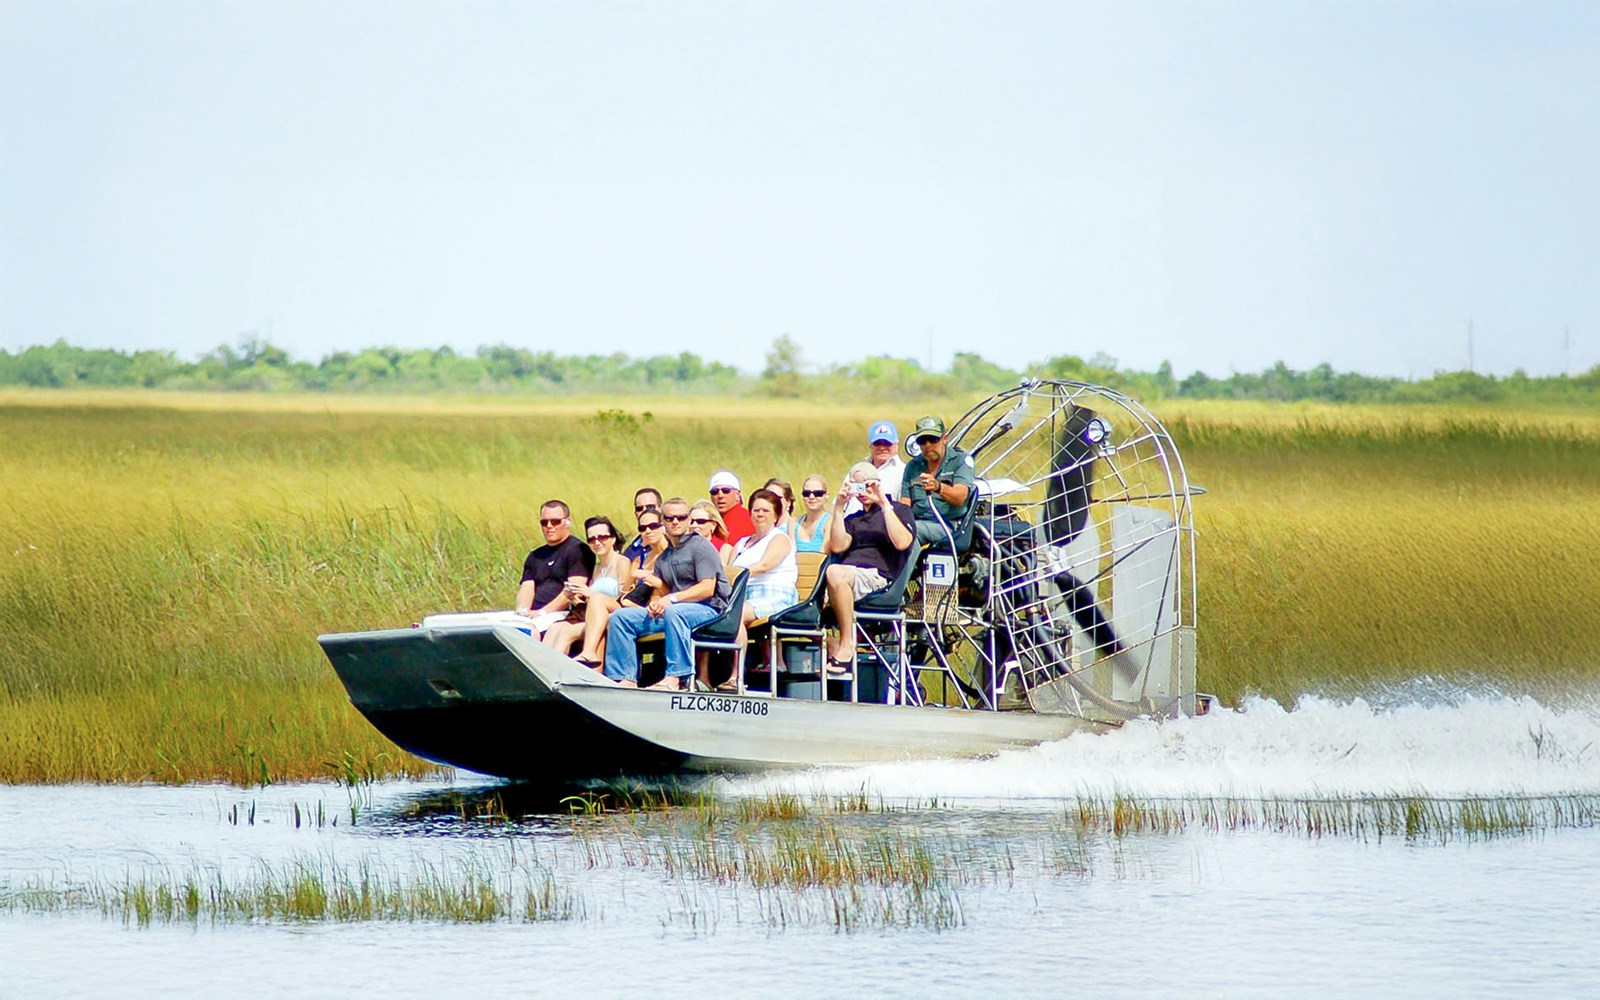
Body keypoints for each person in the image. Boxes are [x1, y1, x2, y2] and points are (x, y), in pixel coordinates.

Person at [604, 497, 731, 690]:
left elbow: (707, 588)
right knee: (620, 617)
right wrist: (656, 603)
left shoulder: (700, 547)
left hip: (710, 611)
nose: (675, 522)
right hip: (677, 611)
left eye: (681, 517)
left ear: (689, 520)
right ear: (663, 521)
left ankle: (675, 677)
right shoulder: (665, 557)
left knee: (675, 612)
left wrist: (671, 599)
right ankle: (624, 678)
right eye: (670, 518)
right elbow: (664, 590)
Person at [822, 462, 915, 672]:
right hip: (849, 575)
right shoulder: (854, 518)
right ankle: (826, 646)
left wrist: (884, 504)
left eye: (866, 485)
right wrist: (839, 506)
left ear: (878, 484)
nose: (863, 492)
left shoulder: (899, 510)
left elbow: (902, 542)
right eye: (858, 487)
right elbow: (837, 545)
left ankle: (847, 643)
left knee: (835, 573)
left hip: (877, 577)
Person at [718, 488, 799, 689]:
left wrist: (737, 574)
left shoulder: (779, 539)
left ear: (776, 515)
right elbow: (727, 570)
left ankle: (736, 677)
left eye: (765, 510)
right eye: (756, 510)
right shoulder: (742, 543)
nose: (760, 514)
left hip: (775, 595)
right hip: (744, 595)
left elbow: (763, 566)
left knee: (735, 614)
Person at [543, 516, 631, 658]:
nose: (597, 542)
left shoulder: (622, 563)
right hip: (592, 614)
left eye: (602, 537)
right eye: (592, 539)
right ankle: (540, 669)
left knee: (566, 632)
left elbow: (623, 599)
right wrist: (575, 598)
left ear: (613, 539)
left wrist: (590, 594)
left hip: (614, 613)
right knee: (555, 628)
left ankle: (556, 672)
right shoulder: (597, 568)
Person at [514, 499, 595, 632]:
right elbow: (527, 587)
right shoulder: (535, 555)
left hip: (560, 614)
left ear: (567, 521)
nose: (550, 526)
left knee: (530, 630)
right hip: (534, 614)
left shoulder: (578, 550)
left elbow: (573, 590)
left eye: (555, 521)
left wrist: (542, 612)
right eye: (544, 522)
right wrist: (523, 610)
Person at [900, 414, 975, 545]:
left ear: (944, 439)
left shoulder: (960, 460)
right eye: (922, 441)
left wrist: (938, 487)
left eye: (933, 439)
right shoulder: (912, 466)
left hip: (948, 524)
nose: (928, 445)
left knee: (913, 532)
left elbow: (960, 498)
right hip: (917, 521)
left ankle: (902, 566)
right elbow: (905, 504)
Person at [843, 420, 906, 517]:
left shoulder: (903, 471)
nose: (882, 448)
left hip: (880, 526)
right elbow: (840, 502)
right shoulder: (858, 469)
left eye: (887, 443)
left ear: (896, 445)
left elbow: (904, 510)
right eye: (877, 443)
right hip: (848, 523)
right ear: (871, 446)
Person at [707, 470, 755, 544]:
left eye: (726, 490)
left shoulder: (745, 519)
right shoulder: (709, 519)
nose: (720, 495)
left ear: (737, 495)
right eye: (714, 492)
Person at [790, 473, 832, 553]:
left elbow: (823, 554)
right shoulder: (795, 522)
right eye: (806, 493)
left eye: (818, 494)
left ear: (826, 495)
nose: (811, 497)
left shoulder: (829, 522)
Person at [621, 487, 663, 563]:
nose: (645, 510)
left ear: (661, 509)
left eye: (650, 507)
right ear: (636, 514)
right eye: (639, 508)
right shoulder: (632, 549)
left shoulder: (673, 542)